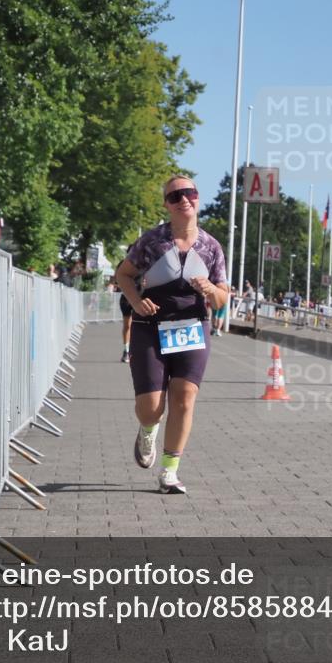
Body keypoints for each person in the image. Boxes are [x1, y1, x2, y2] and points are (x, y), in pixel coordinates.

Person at [115, 175, 229, 494]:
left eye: (189, 193)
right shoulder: (152, 242)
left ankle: (169, 471)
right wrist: (136, 302)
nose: (184, 200)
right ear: (166, 204)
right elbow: (123, 275)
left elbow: (222, 298)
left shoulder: (211, 247)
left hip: (192, 328)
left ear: (197, 198)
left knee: (184, 397)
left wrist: (210, 290)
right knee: (152, 408)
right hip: (150, 327)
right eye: (175, 196)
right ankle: (147, 430)